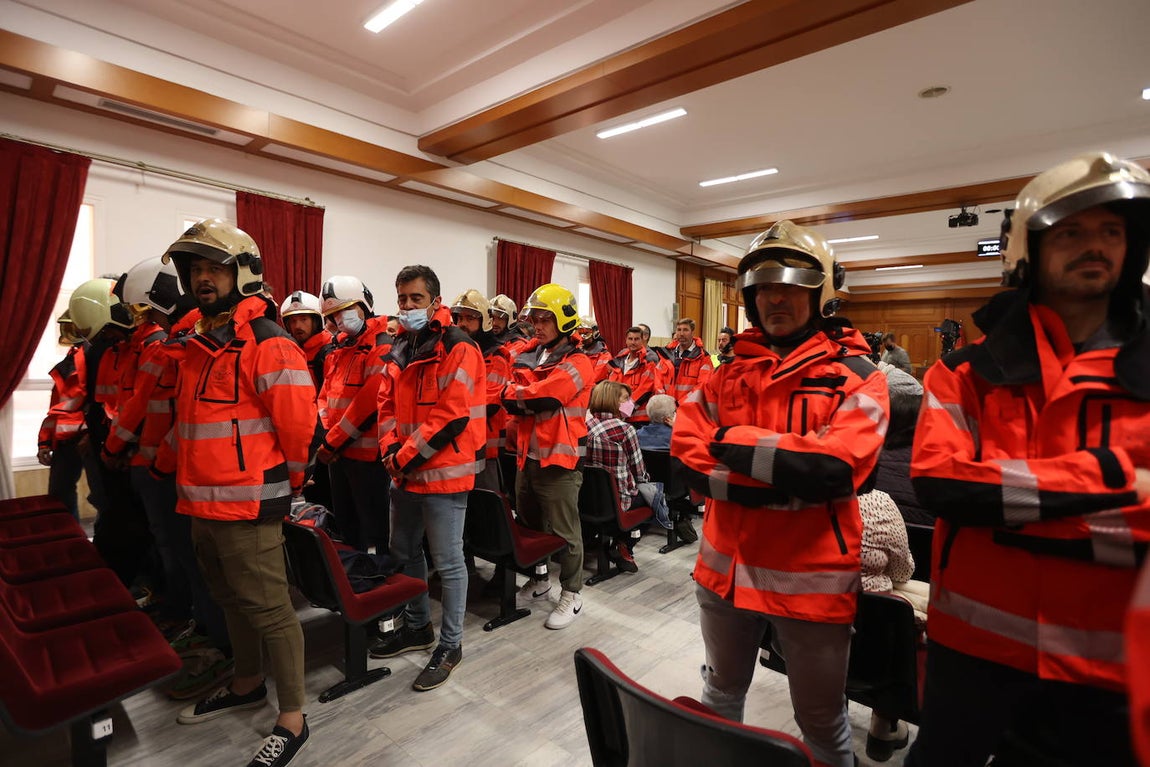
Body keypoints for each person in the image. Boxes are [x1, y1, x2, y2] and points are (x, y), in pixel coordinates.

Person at [906, 152, 1150, 767]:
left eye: (1110, 232)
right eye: (1071, 231)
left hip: (1112, 662)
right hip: (972, 653)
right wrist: (1117, 479)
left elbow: (975, 490)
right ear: (1030, 250)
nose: (1092, 245)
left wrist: (1007, 500)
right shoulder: (961, 373)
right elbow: (942, 484)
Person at [672, 220, 889, 767]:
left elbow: (836, 471)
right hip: (723, 575)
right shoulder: (725, 375)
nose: (776, 298)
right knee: (720, 696)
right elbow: (687, 459)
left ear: (819, 295)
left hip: (811, 584)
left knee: (820, 719)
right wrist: (783, 480)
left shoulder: (859, 377)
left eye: (791, 286)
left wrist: (732, 441)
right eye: (764, 287)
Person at [161, 218, 316, 767]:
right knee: (231, 601)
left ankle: (292, 719)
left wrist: (288, 484)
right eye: (195, 269)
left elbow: (299, 428)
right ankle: (247, 683)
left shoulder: (269, 343)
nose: (203, 278)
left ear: (243, 273)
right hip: (200, 502)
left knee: (272, 609)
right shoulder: (197, 342)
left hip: (250, 502)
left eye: (214, 268)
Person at [367, 265, 484, 691]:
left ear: (435, 300)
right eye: (401, 299)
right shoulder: (402, 345)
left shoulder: (459, 346)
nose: (407, 306)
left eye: (416, 299)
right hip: (404, 470)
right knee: (404, 552)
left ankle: (451, 644)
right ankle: (418, 626)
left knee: (449, 563)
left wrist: (402, 457)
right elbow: (385, 407)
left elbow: (451, 415)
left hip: (443, 474)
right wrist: (388, 451)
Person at [502, 283, 594, 629]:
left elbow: (548, 397)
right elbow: (506, 394)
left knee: (565, 531)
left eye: (545, 319)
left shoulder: (579, 361)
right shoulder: (529, 354)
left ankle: (572, 592)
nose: (537, 325)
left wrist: (519, 394)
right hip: (526, 458)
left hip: (560, 462)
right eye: (535, 319)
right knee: (530, 526)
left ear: (564, 321)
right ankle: (540, 580)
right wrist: (521, 394)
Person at [69, 277, 153, 589]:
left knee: (145, 530)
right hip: (118, 452)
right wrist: (109, 447)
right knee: (125, 521)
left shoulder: (150, 347)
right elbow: (111, 404)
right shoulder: (113, 351)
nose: (109, 337)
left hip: (135, 456)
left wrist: (114, 449)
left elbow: (140, 408)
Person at [315, 275, 393, 553]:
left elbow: (368, 404)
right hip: (338, 455)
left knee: (376, 531)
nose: (338, 320)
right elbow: (324, 396)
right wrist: (326, 436)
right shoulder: (339, 348)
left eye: (343, 311)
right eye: (332, 315)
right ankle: (355, 584)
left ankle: (384, 587)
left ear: (364, 305)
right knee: (349, 528)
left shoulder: (381, 345)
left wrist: (331, 442)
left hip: (367, 458)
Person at [585, 380, 658, 573]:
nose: (631, 403)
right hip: (620, 498)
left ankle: (618, 540)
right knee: (657, 497)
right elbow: (639, 471)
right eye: (626, 398)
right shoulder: (625, 430)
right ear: (612, 401)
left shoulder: (584, 425)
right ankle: (624, 542)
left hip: (587, 498)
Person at [450, 289, 511, 492]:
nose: (462, 324)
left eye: (470, 318)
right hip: (454, 448)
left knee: (485, 511)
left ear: (484, 321)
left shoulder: (496, 359)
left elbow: (489, 403)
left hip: (485, 450)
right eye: (459, 318)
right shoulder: (454, 353)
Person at [37, 310, 88, 520]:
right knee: (59, 497)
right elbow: (57, 409)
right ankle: (71, 542)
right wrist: (44, 442)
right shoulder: (70, 361)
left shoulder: (96, 358)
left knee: (106, 500)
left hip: (90, 440)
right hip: (65, 442)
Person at [605, 326, 667, 424]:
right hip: (617, 416)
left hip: (639, 419)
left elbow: (645, 389)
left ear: (642, 340)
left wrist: (625, 410)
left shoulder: (649, 361)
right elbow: (612, 387)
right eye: (630, 339)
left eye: (637, 339)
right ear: (626, 340)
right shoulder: (619, 360)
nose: (633, 342)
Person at [280, 290, 332, 392]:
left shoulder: (330, 351)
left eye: (304, 319)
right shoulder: (288, 352)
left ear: (316, 322)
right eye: (293, 321)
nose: (297, 326)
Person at [666, 317, 714, 403]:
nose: (681, 333)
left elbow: (702, 385)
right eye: (679, 330)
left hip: (688, 408)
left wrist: (680, 403)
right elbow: (658, 380)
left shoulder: (703, 357)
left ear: (692, 332)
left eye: (685, 330)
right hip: (666, 407)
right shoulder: (666, 354)